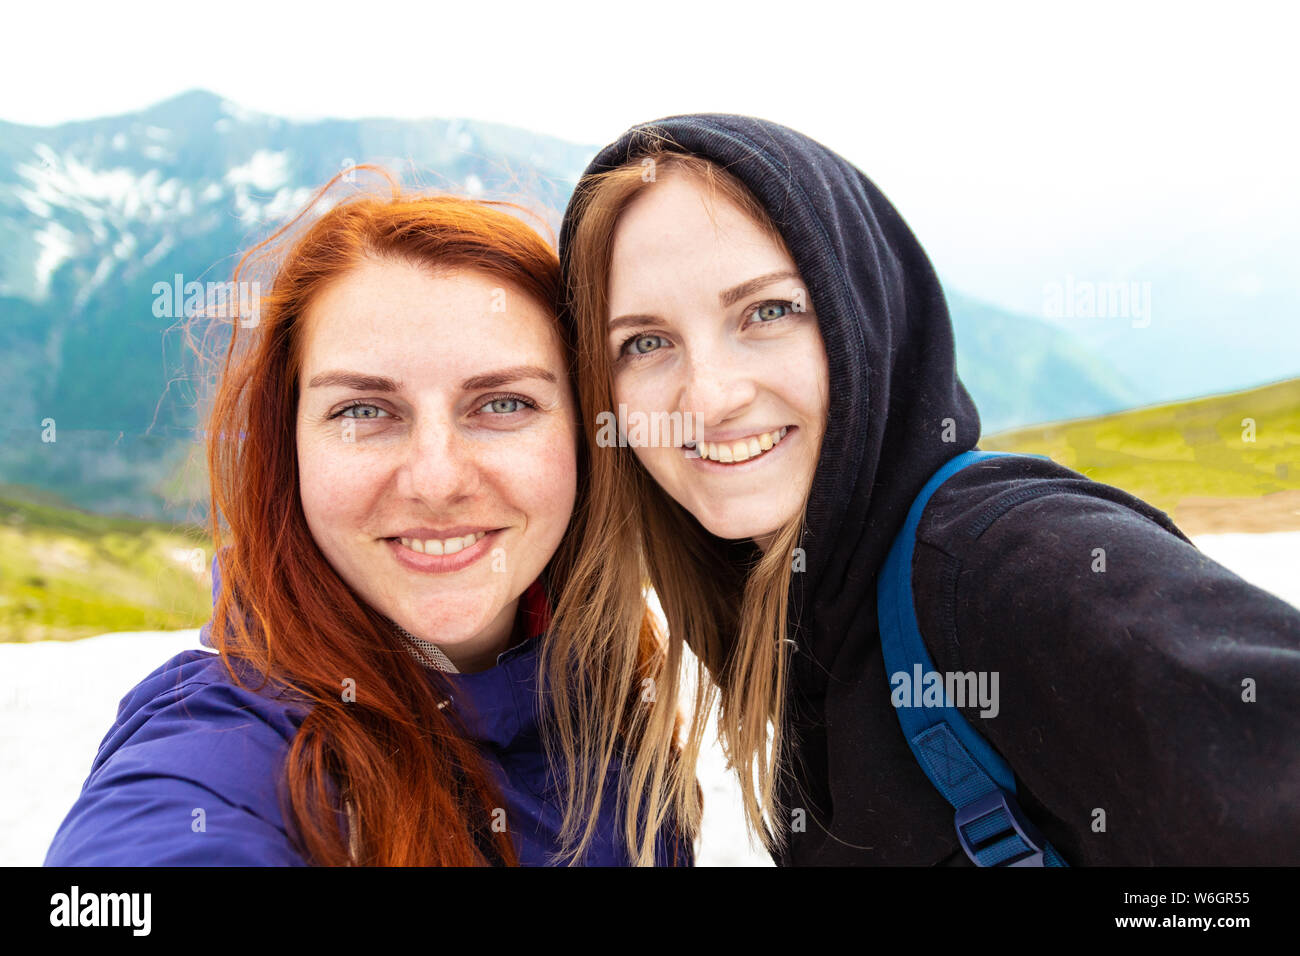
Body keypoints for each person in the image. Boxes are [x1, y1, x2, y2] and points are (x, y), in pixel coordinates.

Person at [548, 113, 1300, 865]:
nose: (708, 398)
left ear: (864, 315)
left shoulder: (1001, 564)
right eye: (645, 343)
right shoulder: (806, 615)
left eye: (768, 311)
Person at [44, 168, 694, 867]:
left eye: (504, 403)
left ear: (587, 439)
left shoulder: (613, 709)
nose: (437, 481)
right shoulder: (222, 742)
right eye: (363, 411)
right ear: (288, 447)